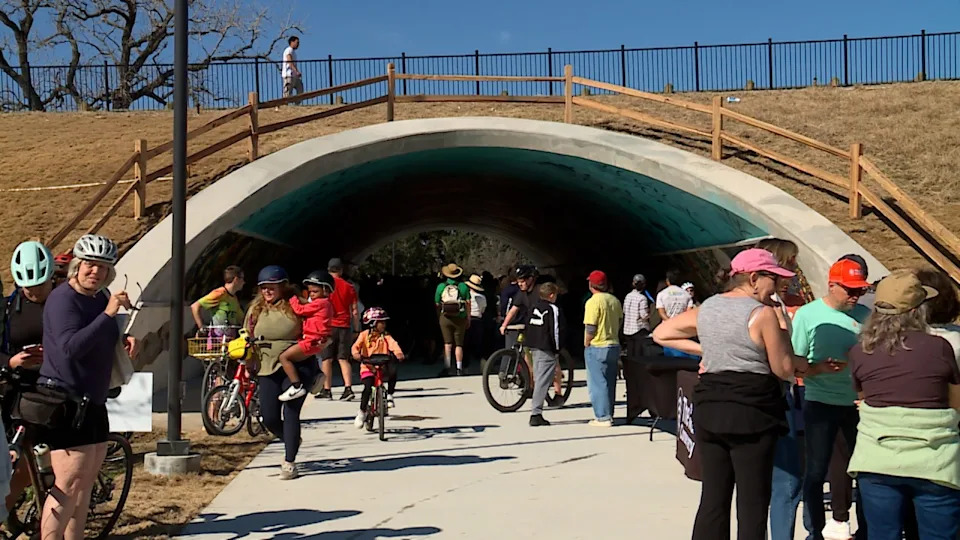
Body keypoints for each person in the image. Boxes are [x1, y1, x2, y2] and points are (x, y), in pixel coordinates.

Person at [653, 248, 804, 540]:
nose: (778, 286)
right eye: (773, 278)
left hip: (710, 406)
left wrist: (706, 350)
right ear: (755, 278)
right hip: (752, 411)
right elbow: (784, 368)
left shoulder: (708, 306)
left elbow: (662, 333)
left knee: (713, 494)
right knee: (752, 500)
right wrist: (783, 327)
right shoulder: (762, 313)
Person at [37, 234, 137, 539]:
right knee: (67, 484)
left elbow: (97, 338)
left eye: (103, 267)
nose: (96, 272)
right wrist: (108, 315)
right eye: (90, 265)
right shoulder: (63, 299)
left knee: (86, 482)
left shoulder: (99, 297)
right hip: (66, 400)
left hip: (93, 399)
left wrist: (121, 339)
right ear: (77, 266)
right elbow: (69, 348)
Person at [847, 270, 960, 539]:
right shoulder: (939, 347)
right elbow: (955, 405)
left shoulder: (859, 351)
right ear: (918, 310)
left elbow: (864, 401)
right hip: (934, 461)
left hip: (877, 460)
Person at [791, 258, 872, 540]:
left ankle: (865, 530)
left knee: (864, 471)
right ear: (831, 285)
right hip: (820, 402)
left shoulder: (866, 315)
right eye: (849, 289)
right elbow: (793, 362)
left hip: (859, 405)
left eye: (860, 290)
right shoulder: (807, 315)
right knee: (815, 470)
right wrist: (818, 369)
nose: (855, 296)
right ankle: (815, 531)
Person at [753, 238, 810, 540]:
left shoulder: (770, 306)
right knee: (786, 481)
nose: (794, 272)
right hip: (775, 396)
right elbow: (783, 364)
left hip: (764, 398)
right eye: (789, 264)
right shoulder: (769, 310)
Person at [244, 265, 316, 480]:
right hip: (267, 366)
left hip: (296, 365)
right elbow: (247, 335)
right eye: (263, 287)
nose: (267, 291)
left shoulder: (297, 305)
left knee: (291, 411)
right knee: (269, 417)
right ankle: (291, 438)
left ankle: (289, 462)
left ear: (283, 286)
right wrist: (248, 362)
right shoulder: (256, 310)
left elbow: (315, 329)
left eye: (271, 286)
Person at [1, 241, 54, 513]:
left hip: (56, 388)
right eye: (27, 288)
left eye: (40, 286)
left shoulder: (65, 301)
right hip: (18, 387)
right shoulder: (8, 308)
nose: (33, 292)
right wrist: (11, 361)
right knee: (15, 462)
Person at [277, 271, 333, 402]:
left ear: (325, 290)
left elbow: (300, 310)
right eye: (310, 292)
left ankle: (296, 385)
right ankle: (316, 373)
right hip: (313, 340)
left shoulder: (321, 303)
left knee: (284, 357)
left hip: (311, 340)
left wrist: (292, 298)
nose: (312, 294)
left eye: (315, 291)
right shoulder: (325, 303)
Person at [352, 307, 405, 428]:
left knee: (393, 371)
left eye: (384, 322)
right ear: (372, 323)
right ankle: (362, 412)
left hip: (382, 365)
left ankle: (390, 395)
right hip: (368, 365)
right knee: (367, 387)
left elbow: (393, 344)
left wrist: (399, 353)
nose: (384, 325)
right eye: (381, 322)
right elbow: (355, 347)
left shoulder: (385, 335)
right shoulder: (364, 335)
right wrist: (356, 354)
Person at [583, 270, 623, 428]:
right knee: (610, 381)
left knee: (597, 383)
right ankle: (609, 413)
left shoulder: (593, 302)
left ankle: (602, 416)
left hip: (598, 345)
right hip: (613, 343)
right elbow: (620, 320)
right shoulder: (614, 300)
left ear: (591, 285)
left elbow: (591, 326)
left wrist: (587, 341)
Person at [525, 282, 567, 427]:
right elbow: (555, 330)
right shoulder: (552, 309)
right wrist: (557, 349)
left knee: (539, 378)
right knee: (543, 381)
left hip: (534, 346)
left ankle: (537, 410)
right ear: (551, 295)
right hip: (546, 346)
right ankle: (536, 413)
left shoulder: (534, 306)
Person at [319, 258, 360, 401]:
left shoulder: (325, 286)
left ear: (328, 270)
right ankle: (348, 388)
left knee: (327, 359)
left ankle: (327, 390)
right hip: (344, 326)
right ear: (341, 270)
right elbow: (354, 310)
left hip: (328, 326)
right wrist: (356, 329)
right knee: (343, 358)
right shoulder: (349, 287)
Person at [434, 263, 471, 377]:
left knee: (447, 344)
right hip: (460, 317)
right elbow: (468, 303)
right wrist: (468, 317)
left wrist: (439, 316)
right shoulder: (463, 286)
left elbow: (436, 303)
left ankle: (447, 367)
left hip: (445, 317)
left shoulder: (441, 286)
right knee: (459, 344)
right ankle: (459, 368)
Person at [190, 265, 245, 339]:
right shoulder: (219, 293)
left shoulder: (234, 298)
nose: (244, 282)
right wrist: (201, 327)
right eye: (242, 279)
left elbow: (241, 319)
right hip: (217, 342)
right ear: (236, 279)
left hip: (230, 341)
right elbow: (195, 306)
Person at [500, 265, 538, 350]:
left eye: (522, 281)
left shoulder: (539, 290)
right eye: (518, 281)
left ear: (530, 279)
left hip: (541, 325)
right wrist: (504, 325)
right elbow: (513, 310)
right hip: (529, 325)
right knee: (525, 349)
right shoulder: (521, 293)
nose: (520, 284)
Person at [623, 274, 653, 361]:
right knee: (638, 356)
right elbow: (643, 315)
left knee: (630, 354)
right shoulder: (642, 298)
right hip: (638, 329)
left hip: (627, 329)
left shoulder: (627, 296)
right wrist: (650, 314)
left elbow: (624, 311)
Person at [464, 274, 487, 369]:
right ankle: (482, 364)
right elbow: (483, 310)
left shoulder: (466, 297)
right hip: (478, 319)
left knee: (466, 344)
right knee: (479, 343)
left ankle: (465, 366)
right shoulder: (482, 297)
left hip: (468, 319)